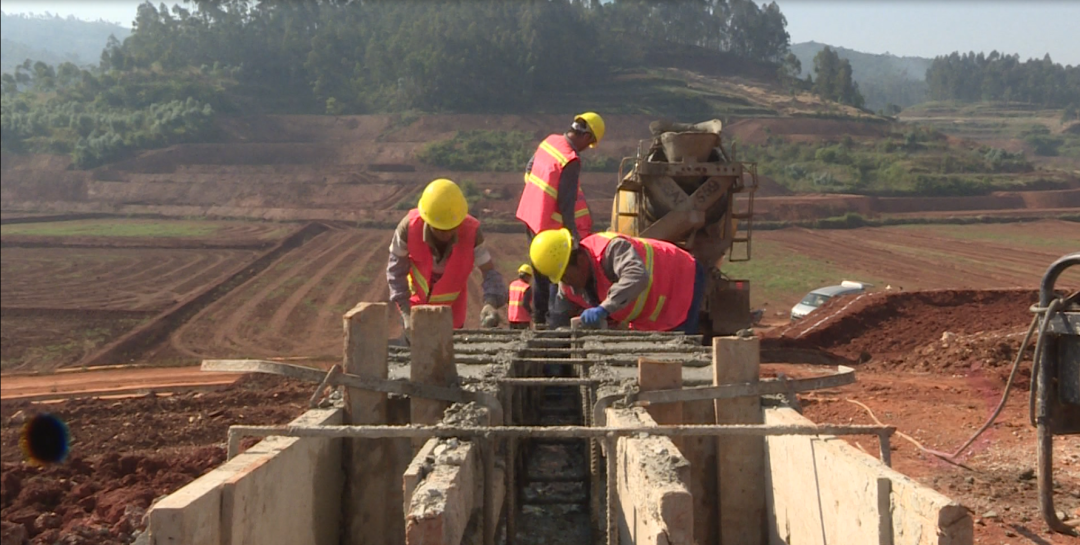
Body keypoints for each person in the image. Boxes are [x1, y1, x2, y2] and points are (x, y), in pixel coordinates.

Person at [387, 178, 507, 340]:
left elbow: (489, 272)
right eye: (439, 230)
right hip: (416, 309)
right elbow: (395, 272)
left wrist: (490, 303)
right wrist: (405, 312)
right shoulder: (408, 228)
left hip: (452, 313)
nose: (446, 234)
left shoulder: (472, 232)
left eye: (451, 228)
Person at [516, 112, 605, 327]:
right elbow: (566, 203)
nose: (586, 147)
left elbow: (529, 170)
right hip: (547, 224)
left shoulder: (550, 141)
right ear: (586, 137)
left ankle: (539, 320)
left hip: (529, 214)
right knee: (556, 272)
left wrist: (537, 195)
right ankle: (552, 321)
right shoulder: (571, 160)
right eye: (590, 143)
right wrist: (571, 235)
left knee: (538, 271)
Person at [528, 228, 706, 334]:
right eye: (560, 279)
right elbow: (559, 319)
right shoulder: (567, 286)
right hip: (650, 309)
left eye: (566, 276)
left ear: (580, 261)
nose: (566, 284)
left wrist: (604, 309)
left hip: (680, 279)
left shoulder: (611, 249)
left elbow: (637, 276)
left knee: (677, 350)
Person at [507, 264, 534, 329]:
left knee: (512, 337)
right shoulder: (526, 287)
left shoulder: (512, 285)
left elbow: (507, 300)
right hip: (523, 319)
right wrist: (532, 313)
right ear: (527, 276)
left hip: (512, 317)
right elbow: (525, 303)